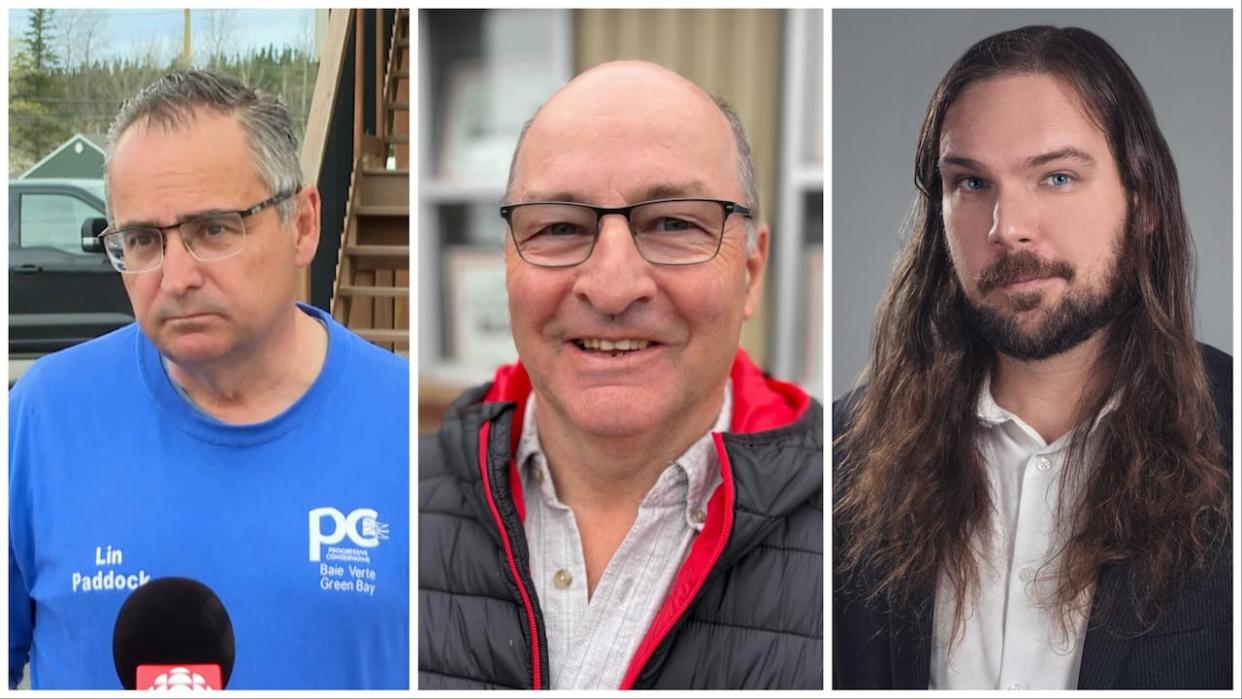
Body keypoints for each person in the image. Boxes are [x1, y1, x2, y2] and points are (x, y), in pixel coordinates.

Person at [833, 25, 1231, 690]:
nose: (1006, 226)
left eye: (1056, 176)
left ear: (1145, 205)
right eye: (970, 183)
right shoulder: (844, 456)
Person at [419, 60, 823, 690]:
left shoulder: (865, 532)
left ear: (750, 270)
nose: (611, 287)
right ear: (507, 263)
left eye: (673, 223)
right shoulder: (396, 508)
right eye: (558, 226)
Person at [8, 70, 409, 689]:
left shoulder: (412, 433)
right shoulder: (44, 418)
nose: (176, 277)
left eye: (213, 229)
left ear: (301, 224)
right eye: (142, 240)